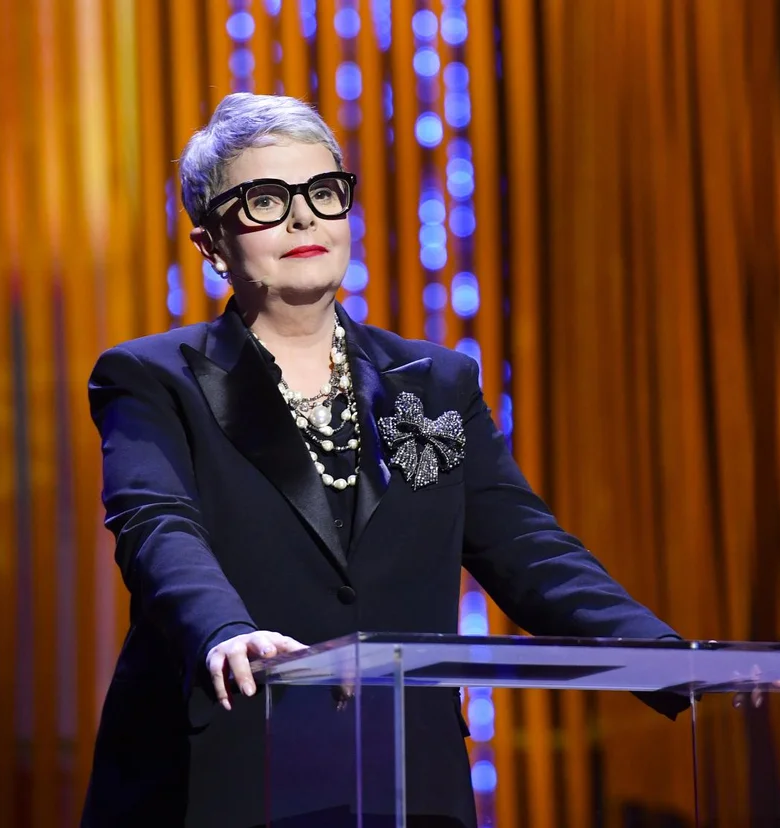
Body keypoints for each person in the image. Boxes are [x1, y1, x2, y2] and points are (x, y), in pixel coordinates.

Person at [80, 92, 688, 828]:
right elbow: (157, 524)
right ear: (211, 244)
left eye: (323, 192)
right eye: (265, 201)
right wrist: (224, 631)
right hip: (225, 765)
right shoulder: (152, 378)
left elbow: (528, 549)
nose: (303, 219)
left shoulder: (435, 382)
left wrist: (669, 659)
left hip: (405, 776)